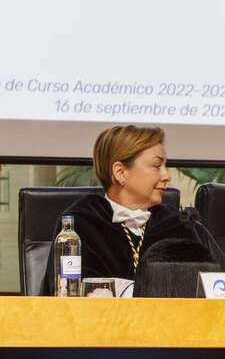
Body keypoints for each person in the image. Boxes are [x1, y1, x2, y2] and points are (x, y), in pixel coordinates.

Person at [42, 124, 203, 294]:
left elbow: (202, 288)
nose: (166, 176)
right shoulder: (81, 224)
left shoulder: (177, 224)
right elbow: (71, 293)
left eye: (165, 167)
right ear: (120, 172)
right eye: (157, 166)